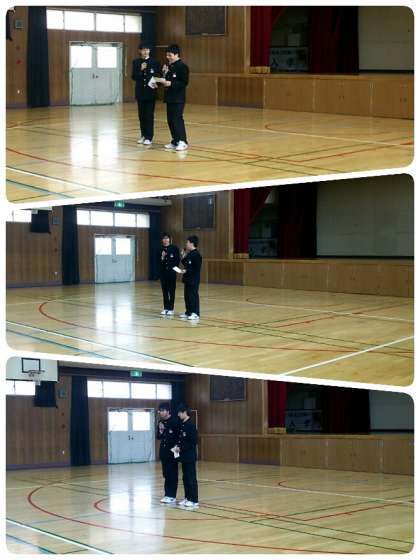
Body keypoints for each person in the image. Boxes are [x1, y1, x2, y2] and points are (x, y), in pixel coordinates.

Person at [162, 44, 190, 151]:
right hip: (169, 97)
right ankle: (175, 140)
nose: (168, 57)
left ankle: (183, 141)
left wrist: (171, 84)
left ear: (176, 54)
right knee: (170, 119)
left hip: (178, 98)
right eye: (167, 55)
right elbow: (165, 79)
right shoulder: (168, 66)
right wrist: (164, 74)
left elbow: (184, 82)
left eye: (170, 55)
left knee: (177, 119)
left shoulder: (182, 66)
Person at [131, 43, 160, 145]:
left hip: (150, 92)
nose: (145, 52)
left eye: (147, 50)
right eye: (143, 50)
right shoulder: (136, 62)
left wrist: (157, 83)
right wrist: (141, 69)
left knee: (149, 115)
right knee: (141, 115)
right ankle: (143, 135)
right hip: (140, 93)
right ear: (139, 51)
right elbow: (134, 76)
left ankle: (149, 137)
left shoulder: (155, 62)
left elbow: (158, 75)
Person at [156, 402, 181, 504]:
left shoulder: (175, 421)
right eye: (160, 411)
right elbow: (159, 437)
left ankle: (172, 496)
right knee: (166, 474)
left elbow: (179, 437)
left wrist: (177, 449)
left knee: (172, 474)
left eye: (163, 410)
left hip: (173, 451)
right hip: (164, 452)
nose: (161, 413)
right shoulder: (161, 422)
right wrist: (161, 430)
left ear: (168, 411)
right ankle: (167, 495)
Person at [175, 403, 199, 508]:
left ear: (185, 412)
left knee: (191, 478)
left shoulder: (191, 425)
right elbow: (182, 440)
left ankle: (194, 500)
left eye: (179, 413)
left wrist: (182, 448)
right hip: (184, 457)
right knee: (185, 478)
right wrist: (177, 447)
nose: (178, 415)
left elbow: (194, 442)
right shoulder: (183, 424)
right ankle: (187, 497)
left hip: (190, 457)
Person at [179, 236, 202, 321]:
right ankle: (188, 312)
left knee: (193, 296)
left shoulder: (197, 255)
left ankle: (195, 313)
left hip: (193, 280)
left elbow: (196, 268)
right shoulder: (189, 254)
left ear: (192, 243)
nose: (186, 244)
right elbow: (185, 263)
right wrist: (183, 255)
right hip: (187, 279)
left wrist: (186, 270)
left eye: (187, 242)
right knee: (187, 296)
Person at [159, 233, 180, 316]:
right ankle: (166, 308)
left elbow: (177, 260)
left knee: (171, 291)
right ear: (162, 240)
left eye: (167, 238)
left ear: (169, 239)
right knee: (164, 291)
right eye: (164, 238)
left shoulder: (174, 248)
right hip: (163, 273)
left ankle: (171, 309)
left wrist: (174, 269)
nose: (165, 240)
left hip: (172, 274)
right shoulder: (159, 249)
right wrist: (162, 257)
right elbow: (157, 261)